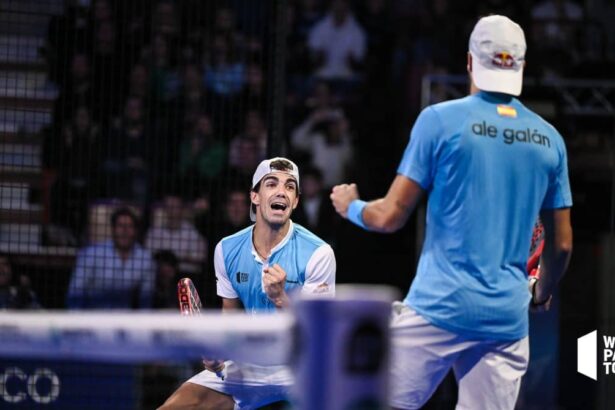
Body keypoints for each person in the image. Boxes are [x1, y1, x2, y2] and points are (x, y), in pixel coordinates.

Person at [330, 15, 573, 409]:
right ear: (522, 66)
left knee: (366, 402)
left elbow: (389, 217)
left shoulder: (439, 121)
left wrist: (351, 207)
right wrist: (541, 292)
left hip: (437, 308)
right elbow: (561, 245)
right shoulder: (550, 140)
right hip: (506, 321)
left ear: (470, 61)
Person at [160, 157, 336, 409]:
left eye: (289, 187)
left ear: (296, 201)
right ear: (255, 196)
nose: (281, 192)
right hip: (250, 364)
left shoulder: (318, 253)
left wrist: (281, 299)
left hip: (302, 365)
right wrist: (219, 356)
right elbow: (230, 316)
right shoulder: (227, 249)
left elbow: (316, 333)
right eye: (272, 184)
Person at [66, 207, 155, 309]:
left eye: (130, 226)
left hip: (125, 317)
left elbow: (146, 300)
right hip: (92, 315)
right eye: (120, 226)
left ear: (135, 231)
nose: (124, 231)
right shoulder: (91, 254)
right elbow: (75, 293)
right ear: (112, 229)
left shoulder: (145, 259)